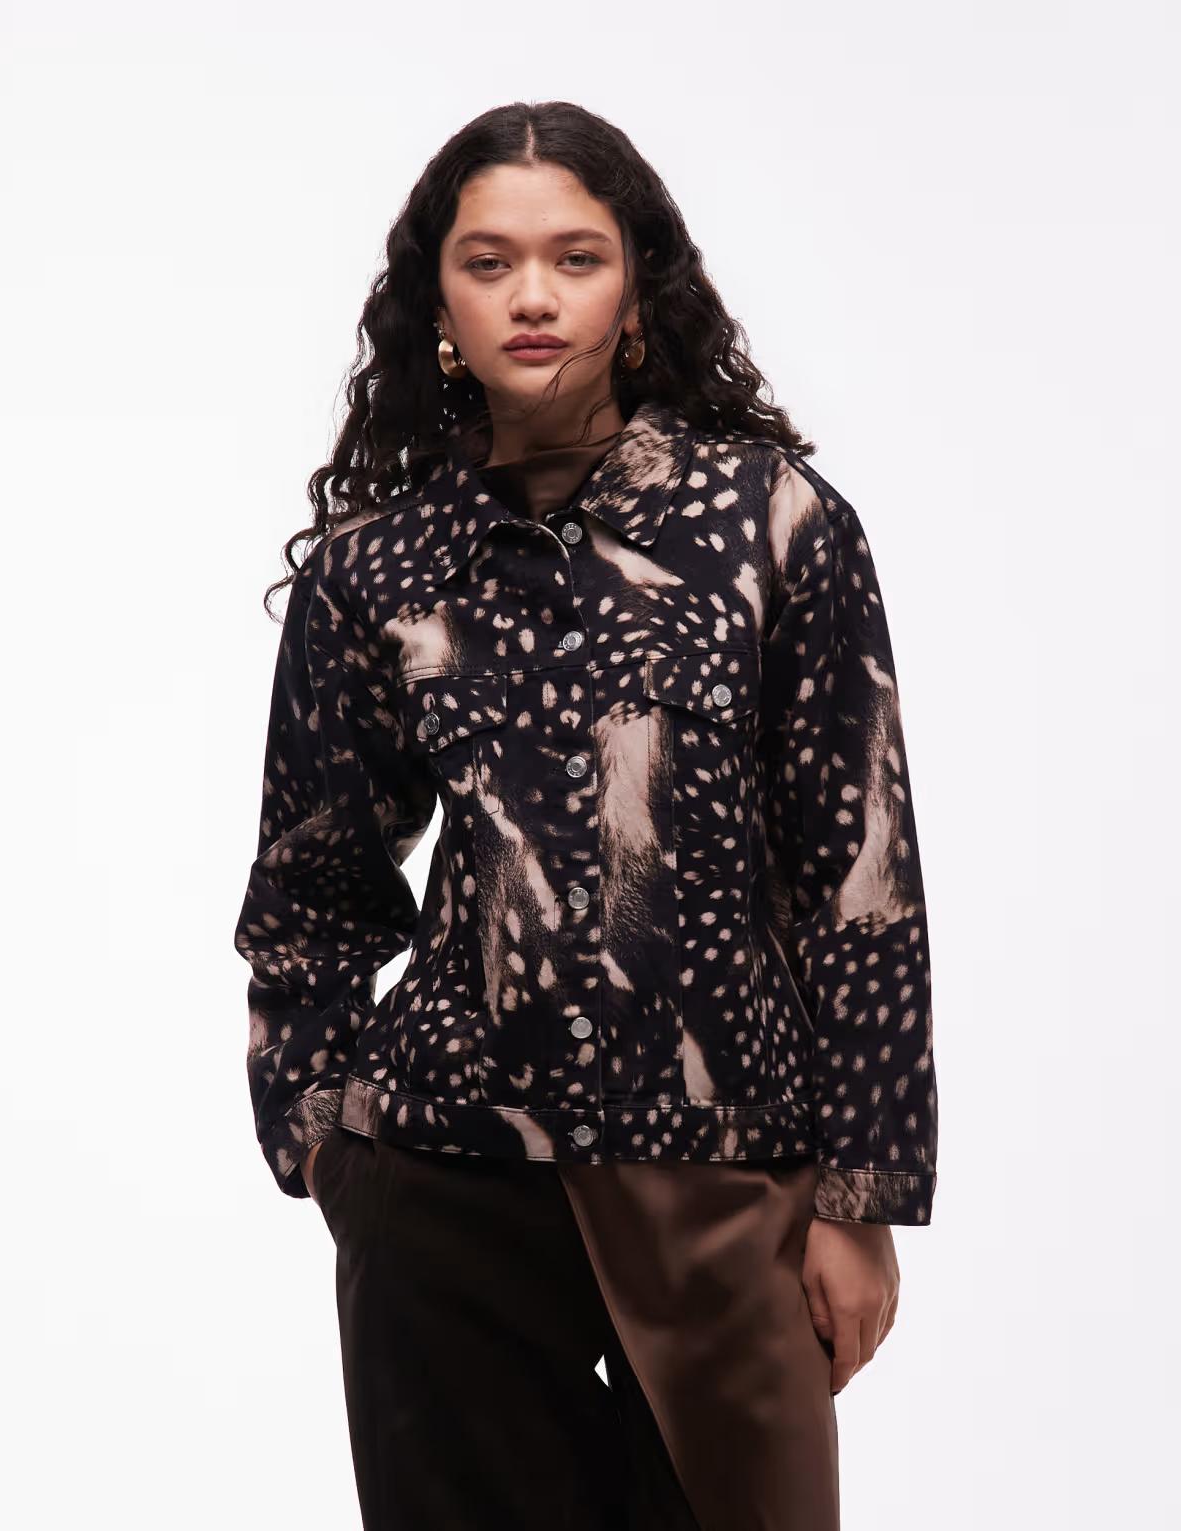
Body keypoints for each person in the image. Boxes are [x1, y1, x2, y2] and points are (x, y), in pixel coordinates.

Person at [234, 99, 938, 1531]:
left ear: (638, 289)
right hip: (444, 1184)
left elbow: (860, 872)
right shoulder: (377, 566)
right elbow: (313, 880)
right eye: (489, 262)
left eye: (576, 257)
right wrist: (323, 1139)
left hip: (723, 1173)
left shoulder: (773, 523)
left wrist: (862, 1197)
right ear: (438, 301)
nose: (534, 297)